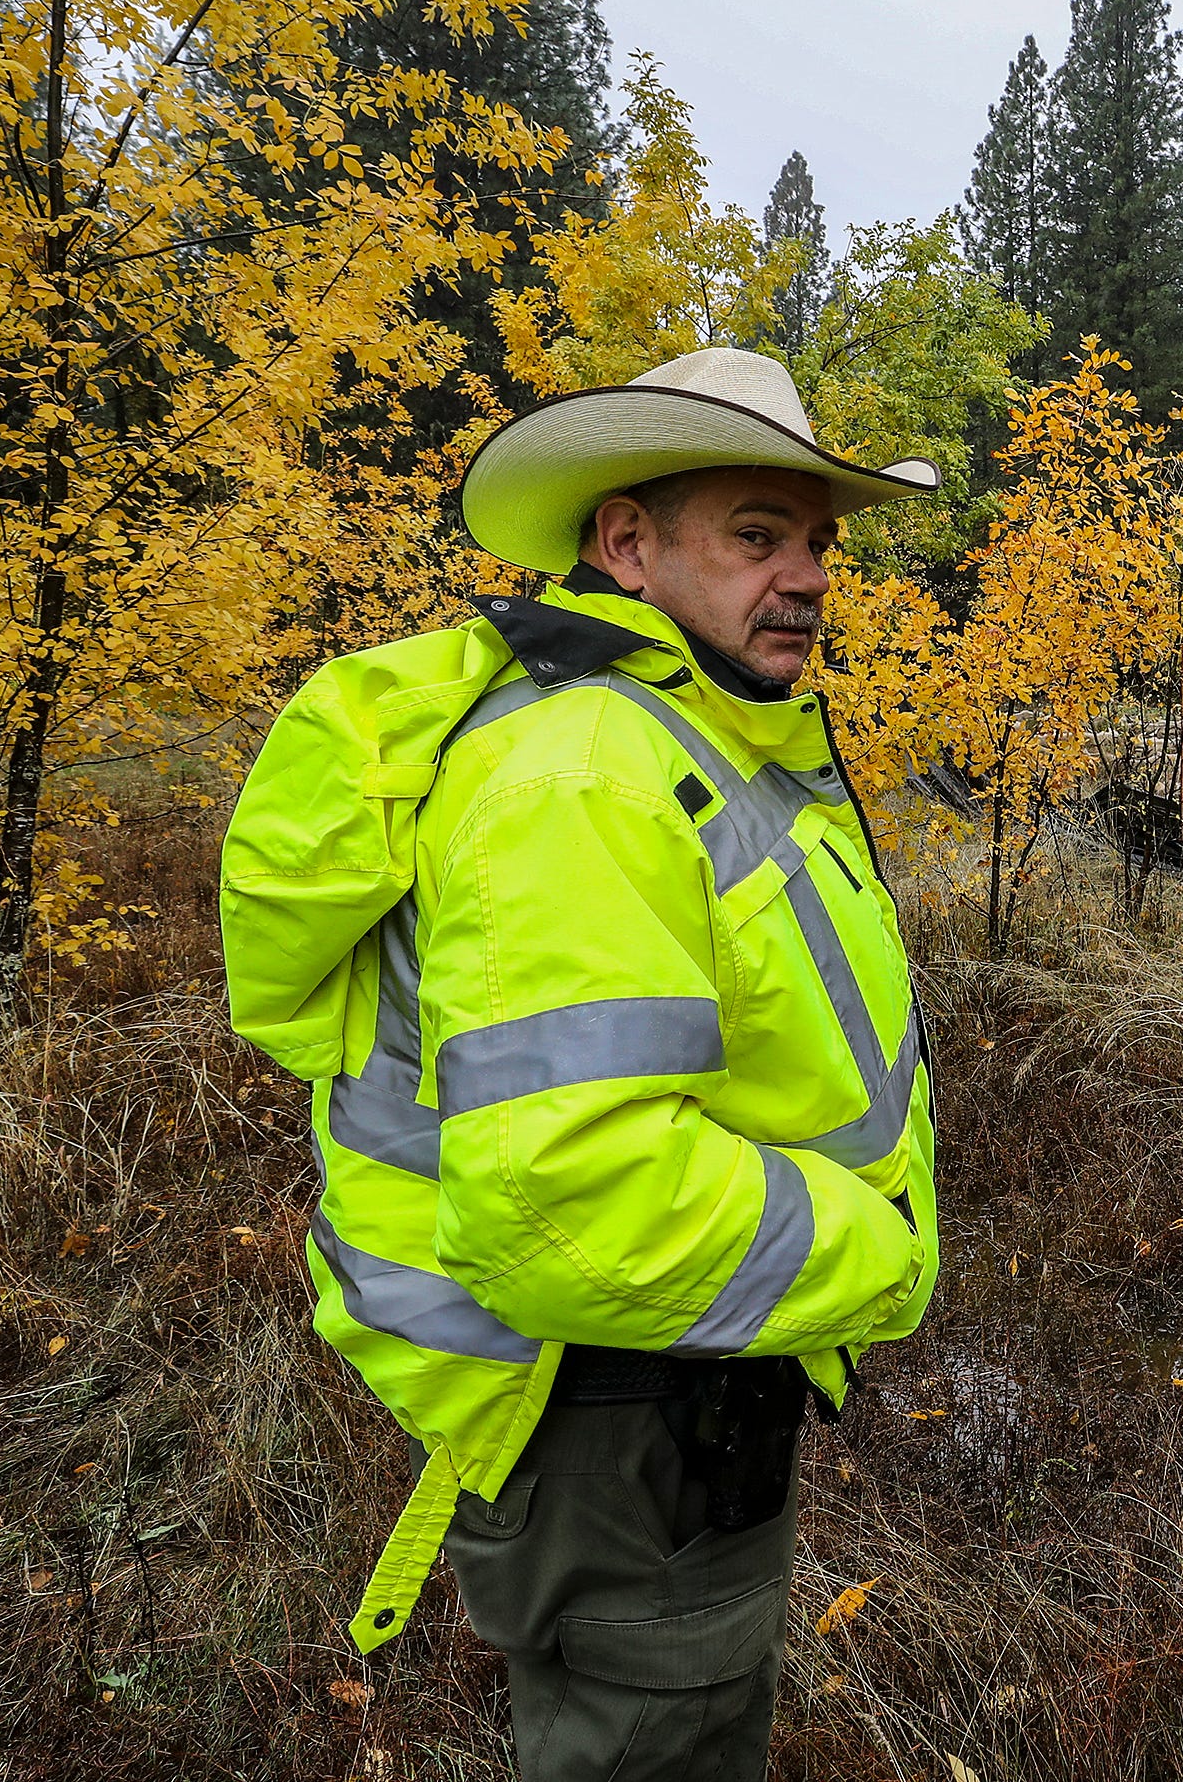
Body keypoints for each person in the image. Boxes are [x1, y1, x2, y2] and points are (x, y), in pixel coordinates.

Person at [221, 347, 945, 1781]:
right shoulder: (585, 775)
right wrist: (884, 1258)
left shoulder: (678, 731)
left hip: (661, 1383)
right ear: (626, 541)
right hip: (623, 1415)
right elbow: (570, 1196)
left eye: (815, 541)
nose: (804, 574)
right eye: (755, 534)